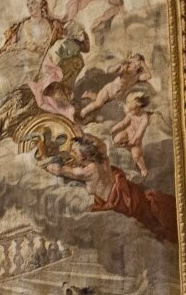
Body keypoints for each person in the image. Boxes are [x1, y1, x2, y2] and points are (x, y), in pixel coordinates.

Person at [43, 133, 177, 244]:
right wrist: (82, 136)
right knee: (149, 217)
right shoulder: (103, 158)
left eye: (74, 152)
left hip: (118, 203)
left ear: (83, 156)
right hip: (129, 192)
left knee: (148, 226)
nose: (71, 154)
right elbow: (101, 144)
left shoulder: (86, 171)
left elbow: (61, 171)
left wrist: (47, 164)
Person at [80, 52, 152, 120]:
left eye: (138, 63)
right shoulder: (125, 69)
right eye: (134, 62)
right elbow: (111, 70)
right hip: (109, 90)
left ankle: (88, 94)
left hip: (118, 96)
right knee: (98, 104)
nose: (136, 64)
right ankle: (83, 112)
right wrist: (125, 61)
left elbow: (149, 76)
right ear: (130, 62)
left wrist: (143, 63)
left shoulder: (138, 76)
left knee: (104, 104)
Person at [110, 90, 153, 177]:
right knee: (117, 139)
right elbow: (124, 123)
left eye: (131, 110)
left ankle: (143, 169)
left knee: (137, 156)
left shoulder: (144, 118)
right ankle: (126, 148)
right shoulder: (131, 114)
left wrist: (133, 140)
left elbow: (140, 131)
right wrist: (115, 128)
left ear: (138, 108)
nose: (129, 112)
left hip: (136, 141)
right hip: (127, 133)